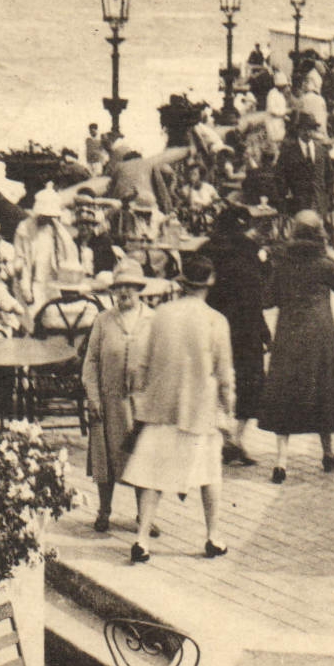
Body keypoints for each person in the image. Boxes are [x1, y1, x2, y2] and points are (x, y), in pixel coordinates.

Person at [122, 254, 235, 563]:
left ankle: (141, 539)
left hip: (160, 408)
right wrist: (229, 410)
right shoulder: (216, 320)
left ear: (183, 282)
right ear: (209, 283)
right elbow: (224, 374)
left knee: (152, 477)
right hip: (199, 410)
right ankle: (213, 537)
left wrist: (140, 399)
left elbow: (140, 363)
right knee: (209, 474)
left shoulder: (160, 315)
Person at [259, 209, 334, 482]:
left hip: (289, 333)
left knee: (284, 393)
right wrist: (326, 256)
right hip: (320, 333)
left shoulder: (282, 263)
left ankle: (281, 461)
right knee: (323, 389)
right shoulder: (324, 263)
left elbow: (267, 300)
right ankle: (327, 452)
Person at [81, 258, 156, 533]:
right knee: (105, 458)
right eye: (119, 287)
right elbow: (90, 361)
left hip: (140, 403)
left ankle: (144, 516)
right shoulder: (103, 320)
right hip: (108, 400)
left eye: (130, 287)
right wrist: (93, 397)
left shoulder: (152, 320)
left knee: (142, 458)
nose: (124, 292)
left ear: (140, 289)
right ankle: (104, 511)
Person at [202, 205, 268, 467]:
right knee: (249, 384)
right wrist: (263, 330)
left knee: (212, 381)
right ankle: (235, 438)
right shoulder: (250, 252)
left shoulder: (206, 249)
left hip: (211, 326)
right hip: (246, 329)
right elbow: (258, 295)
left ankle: (222, 437)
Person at [14, 187, 81, 324]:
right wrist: (26, 289)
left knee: (54, 317)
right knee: (34, 317)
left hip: (53, 281)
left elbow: (68, 253)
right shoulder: (25, 229)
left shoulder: (58, 231)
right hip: (34, 281)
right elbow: (21, 260)